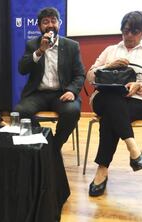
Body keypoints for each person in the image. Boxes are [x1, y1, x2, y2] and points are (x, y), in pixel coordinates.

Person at [86, 11, 142, 197]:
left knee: (111, 114)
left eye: (135, 31)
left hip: (138, 101)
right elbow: (90, 75)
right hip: (104, 96)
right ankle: (133, 149)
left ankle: (102, 170)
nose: (129, 35)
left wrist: (141, 86)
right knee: (113, 99)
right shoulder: (110, 50)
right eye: (126, 30)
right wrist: (107, 66)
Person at [14, 7, 85, 150]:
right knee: (21, 111)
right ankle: (43, 141)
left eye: (53, 21)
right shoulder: (32, 44)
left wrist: (72, 91)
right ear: (39, 26)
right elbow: (22, 69)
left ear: (59, 23)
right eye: (45, 22)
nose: (50, 25)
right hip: (38, 94)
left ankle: (53, 147)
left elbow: (80, 74)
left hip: (62, 93)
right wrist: (40, 51)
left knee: (72, 111)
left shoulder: (71, 46)